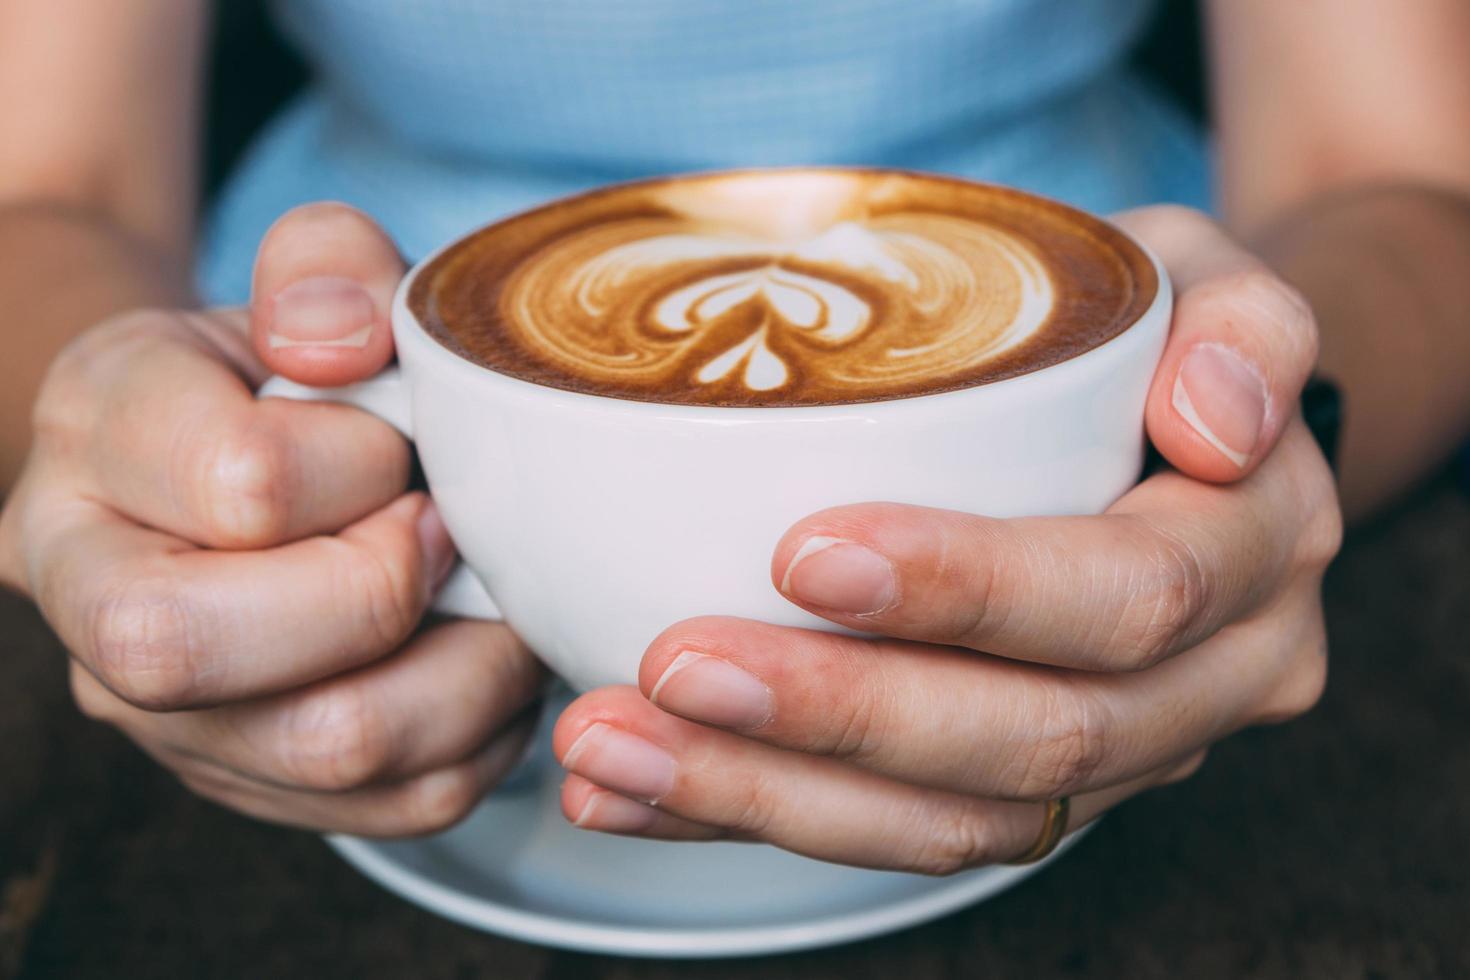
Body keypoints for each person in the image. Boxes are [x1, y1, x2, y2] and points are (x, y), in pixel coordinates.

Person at [0, 0, 1467, 868]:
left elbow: (1389, 169)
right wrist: (164, 453)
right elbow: (49, 187)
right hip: (343, 347)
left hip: (1091, 323)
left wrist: (1266, 432)